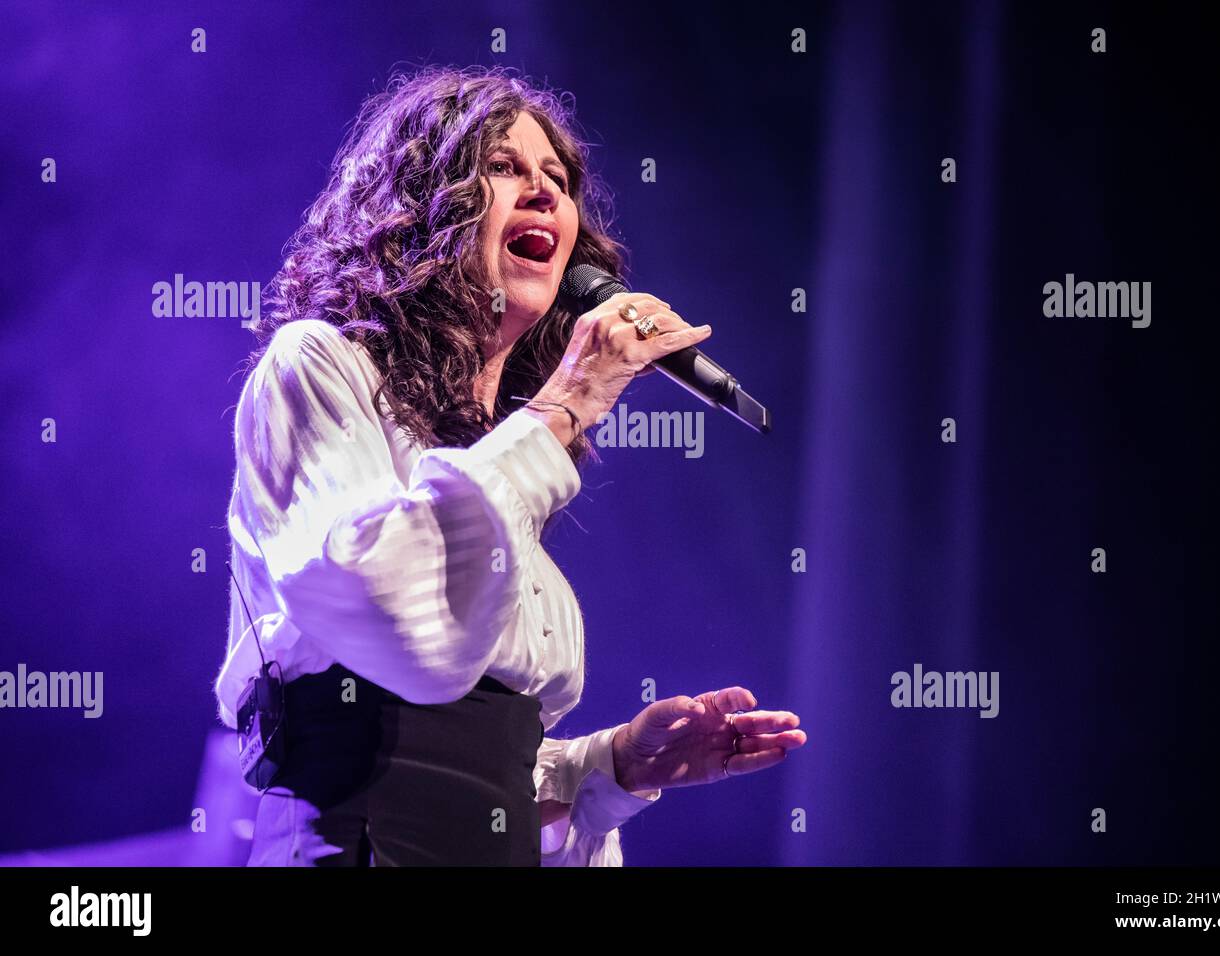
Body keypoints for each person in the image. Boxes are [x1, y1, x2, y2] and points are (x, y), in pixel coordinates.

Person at [213, 64, 806, 866]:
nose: (543, 193)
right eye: (502, 167)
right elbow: (382, 608)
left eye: (557, 178)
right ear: (420, 209)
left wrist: (615, 766)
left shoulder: (491, 462)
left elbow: (482, 774)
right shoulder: (318, 367)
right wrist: (563, 406)